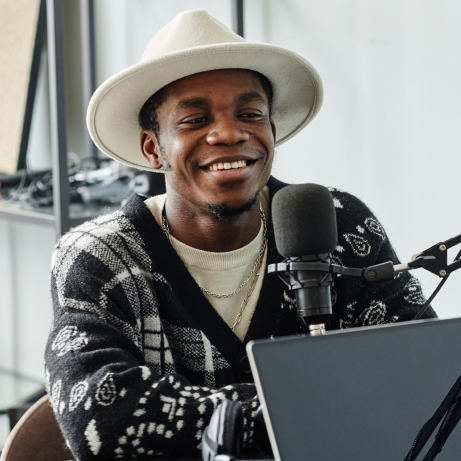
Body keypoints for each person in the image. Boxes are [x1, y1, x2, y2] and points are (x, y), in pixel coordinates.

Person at [45, 9, 435, 459]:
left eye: (250, 113)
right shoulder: (99, 257)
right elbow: (100, 418)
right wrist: (321, 402)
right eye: (194, 120)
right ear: (152, 148)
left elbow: (421, 373)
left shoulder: (335, 220)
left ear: (272, 130)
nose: (230, 133)